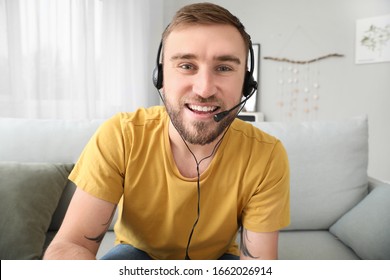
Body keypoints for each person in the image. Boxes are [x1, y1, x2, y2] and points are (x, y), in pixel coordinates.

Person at [43, 2, 290, 260]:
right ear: (160, 76)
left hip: (218, 260)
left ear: (246, 84)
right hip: (137, 255)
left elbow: (258, 266)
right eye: (186, 66)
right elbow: (69, 247)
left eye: (224, 68)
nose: (204, 89)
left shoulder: (267, 154)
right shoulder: (121, 135)